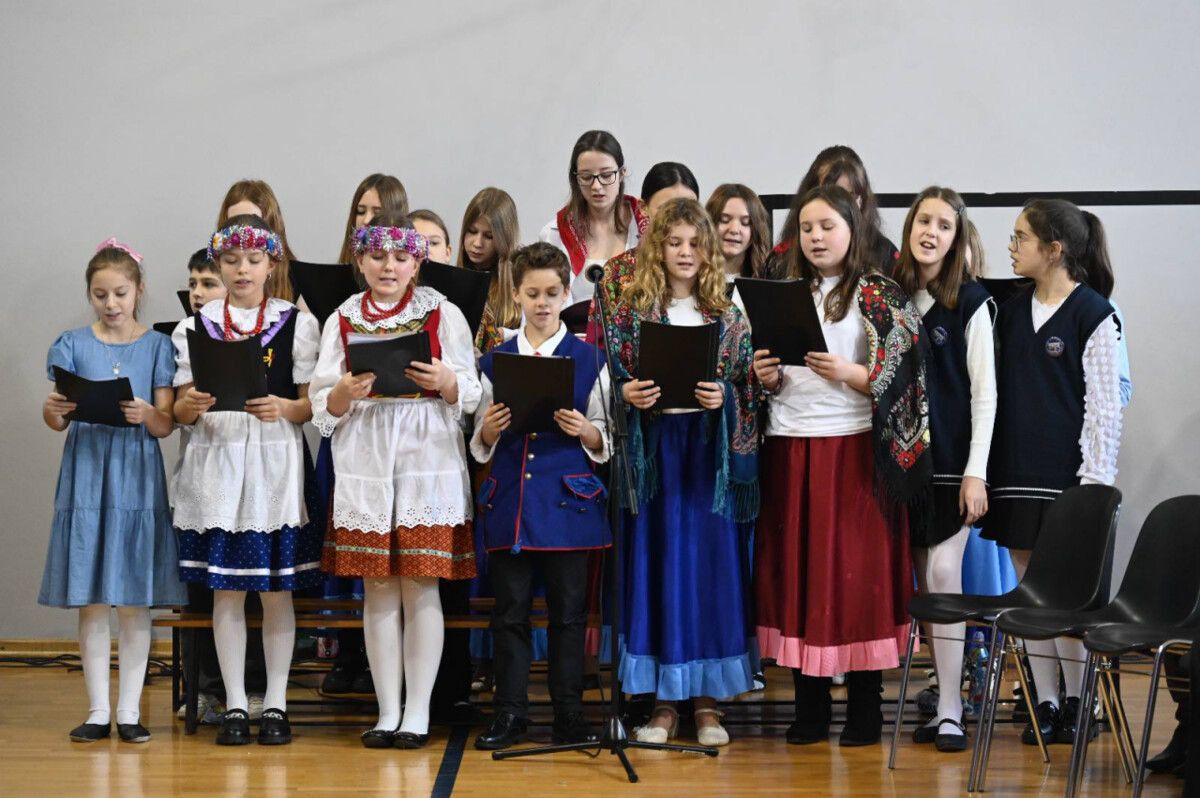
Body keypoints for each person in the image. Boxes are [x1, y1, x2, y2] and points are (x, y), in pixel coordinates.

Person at [753, 185, 932, 747]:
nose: (815, 237)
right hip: (790, 445)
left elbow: (908, 377)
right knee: (799, 575)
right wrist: (766, 377)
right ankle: (809, 707)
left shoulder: (880, 293)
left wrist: (850, 373)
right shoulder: (781, 292)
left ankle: (864, 709)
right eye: (806, 228)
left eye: (827, 226)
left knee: (858, 580)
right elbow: (767, 375)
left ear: (853, 230)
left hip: (855, 450)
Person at [310, 211, 481, 748]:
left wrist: (446, 380)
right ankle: (387, 710)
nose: (389, 266)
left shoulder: (442, 311)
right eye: (378, 256)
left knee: (421, 584)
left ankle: (418, 711)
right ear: (360, 261)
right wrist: (343, 394)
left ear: (416, 263)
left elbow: (471, 391)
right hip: (367, 463)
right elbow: (322, 402)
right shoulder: (342, 317)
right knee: (378, 588)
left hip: (426, 461)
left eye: (401, 257)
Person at [604, 198, 760, 747]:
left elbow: (749, 386)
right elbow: (611, 376)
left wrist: (725, 397)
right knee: (661, 569)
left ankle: (708, 705)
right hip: (655, 456)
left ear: (708, 250)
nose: (686, 253)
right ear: (658, 250)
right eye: (674, 243)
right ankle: (665, 704)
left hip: (708, 461)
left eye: (695, 243)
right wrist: (627, 392)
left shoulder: (727, 313)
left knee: (710, 573)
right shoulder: (633, 311)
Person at [172, 215, 323, 746]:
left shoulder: (295, 324)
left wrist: (283, 406)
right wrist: (190, 404)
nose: (242, 270)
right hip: (218, 466)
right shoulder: (195, 327)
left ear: (271, 263)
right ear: (219, 263)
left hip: (273, 467)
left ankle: (276, 701)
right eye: (232, 261)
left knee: (277, 592)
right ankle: (236, 703)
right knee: (226, 593)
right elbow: (180, 410)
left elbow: (309, 406)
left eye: (253, 260)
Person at [981, 199, 1124, 747]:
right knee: (1030, 596)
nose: (1011, 246)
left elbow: (1105, 409)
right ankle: (1044, 699)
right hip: (1016, 473)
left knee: (1067, 599)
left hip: (1069, 480)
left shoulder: (1094, 313)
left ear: (1054, 249)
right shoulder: (1009, 310)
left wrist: (1093, 487)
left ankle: (1081, 700)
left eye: (1021, 237)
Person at [41, 239, 186, 744]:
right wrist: (52, 412)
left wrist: (147, 413)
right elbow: (57, 417)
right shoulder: (71, 344)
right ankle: (98, 709)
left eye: (120, 293)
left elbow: (166, 425)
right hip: (87, 473)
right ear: (90, 295)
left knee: (133, 598)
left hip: (135, 475)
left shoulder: (158, 346)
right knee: (93, 598)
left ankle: (129, 710)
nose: (111, 303)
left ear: (138, 290)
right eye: (100, 294)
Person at [472, 243, 611, 750]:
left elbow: (605, 432)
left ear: (567, 292)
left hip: (569, 506)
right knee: (509, 612)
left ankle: (569, 714)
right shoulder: (495, 361)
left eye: (552, 293)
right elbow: (480, 438)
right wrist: (489, 429)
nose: (542, 303)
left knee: (568, 615)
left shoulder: (591, 360)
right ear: (517, 295)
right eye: (532, 294)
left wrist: (586, 432)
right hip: (512, 503)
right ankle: (510, 713)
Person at [892, 187, 997, 752]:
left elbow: (986, 395)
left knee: (943, 572)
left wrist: (977, 472)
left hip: (956, 466)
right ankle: (942, 697)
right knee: (926, 584)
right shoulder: (895, 298)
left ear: (957, 239)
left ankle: (953, 708)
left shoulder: (972, 301)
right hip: (908, 467)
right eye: (923, 221)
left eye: (944, 225)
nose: (930, 232)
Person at [540, 130, 649, 303]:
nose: (596, 186)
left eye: (606, 175)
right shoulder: (555, 233)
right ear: (575, 179)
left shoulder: (647, 228)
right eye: (586, 177)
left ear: (622, 174)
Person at [765, 146, 898, 278]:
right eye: (828, 196)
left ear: (862, 199)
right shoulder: (780, 259)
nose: (840, 207)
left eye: (850, 196)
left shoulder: (885, 255)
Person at [458, 188, 522, 353]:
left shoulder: (523, 283)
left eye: (489, 236)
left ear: (504, 239)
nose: (477, 243)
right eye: (472, 231)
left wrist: (505, 335)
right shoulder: (452, 279)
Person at [216, 179, 298, 300]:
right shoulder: (212, 275)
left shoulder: (297, 278)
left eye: (253, 223)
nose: (243, 233)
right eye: (234, 223)